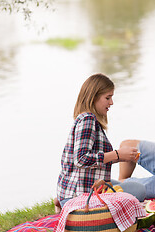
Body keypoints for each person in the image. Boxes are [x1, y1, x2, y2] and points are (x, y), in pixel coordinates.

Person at [54, 73, 144, 213]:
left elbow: (94, 159)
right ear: (93, 97)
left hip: (85, 187)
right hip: (82, 195)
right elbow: (81, 159)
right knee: (138, 190)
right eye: (108, 98)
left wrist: (122, 157)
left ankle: (62, 198)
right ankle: (66, 202)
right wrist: (116, 154)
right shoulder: (87, 120)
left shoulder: (88, 120)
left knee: (129, 186)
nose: (111, 103)